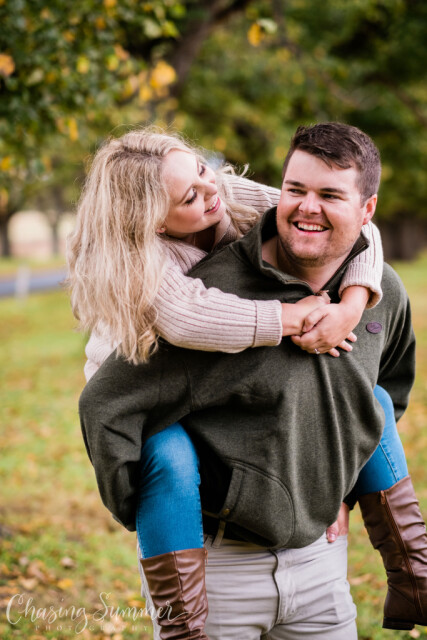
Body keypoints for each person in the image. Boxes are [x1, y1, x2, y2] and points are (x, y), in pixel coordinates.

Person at [73, 125, 426, 638]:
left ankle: (415, 574)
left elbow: (355, 232)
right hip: (151, 374)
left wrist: (351, 307)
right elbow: (187, 322)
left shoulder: (229, 196)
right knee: (168, 456)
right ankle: (182, 619)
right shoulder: (158, 272)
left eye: (202, 171)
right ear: (153, 220)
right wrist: (290, 318)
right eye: (188, 197)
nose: (209, 190)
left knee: (369, 401)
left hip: (318, 562)